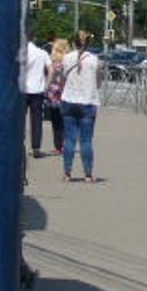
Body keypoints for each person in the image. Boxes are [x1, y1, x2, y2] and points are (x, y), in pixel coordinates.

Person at [59, 30, 101, 183]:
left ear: (74, 42)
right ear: (88, 43)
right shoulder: (94, 60)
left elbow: (62, 78)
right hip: (88, 103)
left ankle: (67, 174)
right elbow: (98, 83)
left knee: (69, 139)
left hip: (69, 101)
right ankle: (88, 175)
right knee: (86, 140)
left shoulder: (66, 58)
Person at [23, 32, 51, 159]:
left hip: (22, 90)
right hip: (38, 90)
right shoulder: (42, 53)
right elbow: (51, 69)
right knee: (37, 120)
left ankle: (19, 144)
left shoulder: (21, 52)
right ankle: (36, 148)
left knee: (20, 120)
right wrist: (47, 85)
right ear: (34, 38)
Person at [44, 37, 70, 154]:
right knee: (65, 121)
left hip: (54, 94)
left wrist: (46, 89)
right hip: (66, 93)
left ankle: (58, 146)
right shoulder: (68, 62)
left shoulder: (54, 63)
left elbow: (50, 77)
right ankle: (65, 144)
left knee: (56, 122)